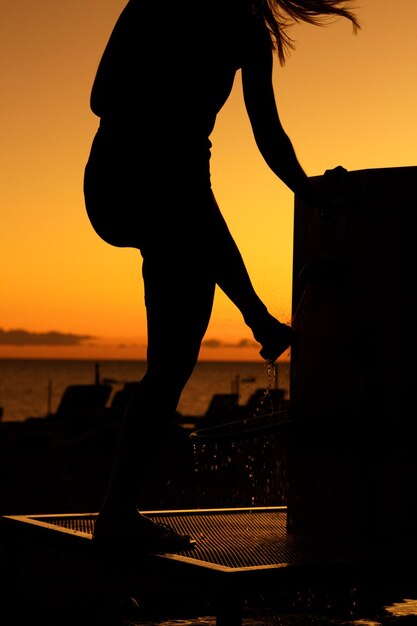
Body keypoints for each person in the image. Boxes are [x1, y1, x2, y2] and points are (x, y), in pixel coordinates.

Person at [83, 0, 359, 552]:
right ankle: (259, 320)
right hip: (128, 180)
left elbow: (266, 131)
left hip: (170, 192)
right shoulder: (163, 8)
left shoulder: (243, 30)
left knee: (172, 360)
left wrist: (306, 189)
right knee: (185, 206)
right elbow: (101, 99)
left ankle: (117, 511)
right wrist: (165, 111)